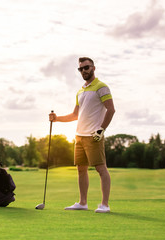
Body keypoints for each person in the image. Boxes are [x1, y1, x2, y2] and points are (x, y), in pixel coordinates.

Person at [49, 57, 115, 213]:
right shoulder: (80, 91)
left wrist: (101, 129)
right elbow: (75, 115)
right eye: (81, 69)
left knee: (101, 169)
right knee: (81, 169)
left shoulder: (101, 87)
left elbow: (111, 109)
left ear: (93, 68)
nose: (84, 71)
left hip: (94, 135)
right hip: (79, 136)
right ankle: (82, 203)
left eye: (86, 68)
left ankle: (105, 205)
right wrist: (57, 119)